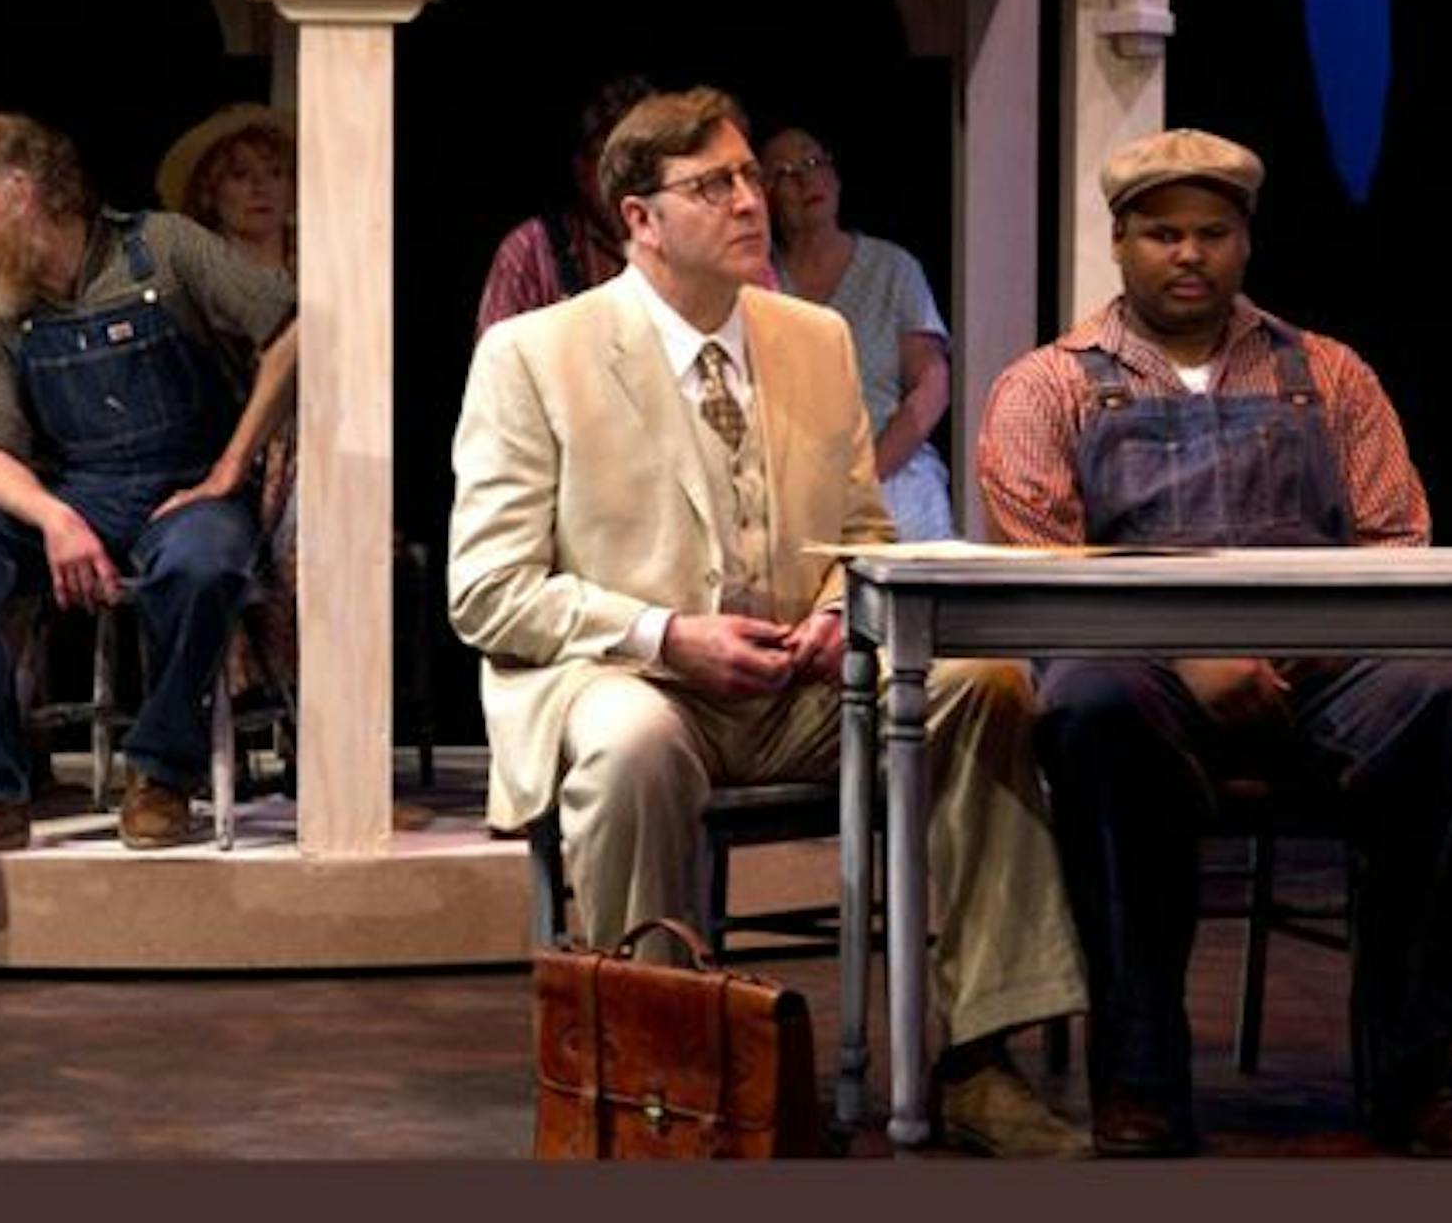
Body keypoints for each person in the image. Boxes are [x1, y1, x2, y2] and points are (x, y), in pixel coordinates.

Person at [450, 87, 1089, 1157]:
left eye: (751, 176)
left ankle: (978, 1055)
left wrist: (847, 613)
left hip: (798, 684)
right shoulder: (534, 353)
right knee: (632, 743)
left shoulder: (814, 339)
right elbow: (487, 588)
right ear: (639, 218)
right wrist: (665, 635)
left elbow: (858, 533)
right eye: (716, 185)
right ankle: (656, 1080)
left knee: (983, 687)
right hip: (632, 678)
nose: (754, 200)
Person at [976, 127, 1452, 1158]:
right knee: (1087, 702)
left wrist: (1294, 651)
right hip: (1146, 676)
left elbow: (1398, 539)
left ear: (1246, 241)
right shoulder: (1050, 385)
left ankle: (1418, 1069)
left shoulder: (1329, 375)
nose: (1190, 253)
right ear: (1121, 241)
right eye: (1164, 232)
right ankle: (1139, 1072)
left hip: (1317, 668)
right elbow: (1047, 564)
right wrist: (1189, 655)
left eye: (1212, 232)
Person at [0, 111, 295, 859]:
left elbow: (293, 328)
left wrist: (232, 465)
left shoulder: (163, 249)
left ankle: (161, 772)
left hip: (188, 491)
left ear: (21, 192)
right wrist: (53, 517)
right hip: (85, 493)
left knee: (204, 563)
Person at [156, 103, 300, 693]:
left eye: (273, 172)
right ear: (211, 193)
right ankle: (224, 710)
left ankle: (312, 719)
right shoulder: (195, 274)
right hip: (215, 448)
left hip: (308, 449)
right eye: (241, 174)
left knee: (313, 525)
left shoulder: (324, 265)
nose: (260, 187)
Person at [760, 125, 956, 540]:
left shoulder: (893, 268)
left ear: (835, 176)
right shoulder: (760, 279)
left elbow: (931, 384)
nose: (805, 180)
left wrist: (867, 473)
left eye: (814, 163)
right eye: (784, 173)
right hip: (790, 485)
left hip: (891, 472)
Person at [471, 75, 652, 338]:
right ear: (582, 169)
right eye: (613, 162)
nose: (630, 180)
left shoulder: (686, 244)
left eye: (645, 164)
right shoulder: (530, 252)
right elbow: (495, 372)